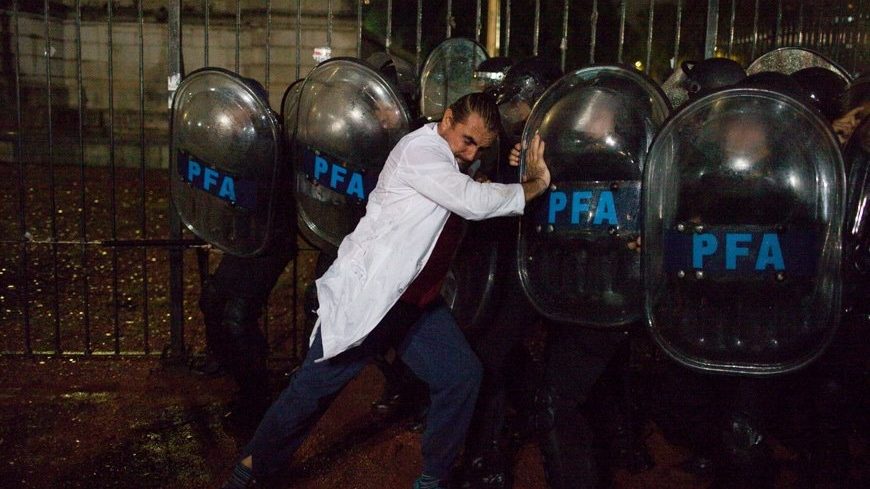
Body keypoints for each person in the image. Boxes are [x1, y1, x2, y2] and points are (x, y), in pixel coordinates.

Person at [220, 92, 552, 489]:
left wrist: (506, 159)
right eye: (467, 140)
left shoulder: (453, 156)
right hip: (371, 301)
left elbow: (471, 179)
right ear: (446, 119)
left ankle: (433, 478)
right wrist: (538, 183)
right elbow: (473, 202)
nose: (470, 153)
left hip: (416, 304)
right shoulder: (420, 151)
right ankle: (250, 470)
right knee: (310, 392)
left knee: (460, 376)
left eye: (480, 147)